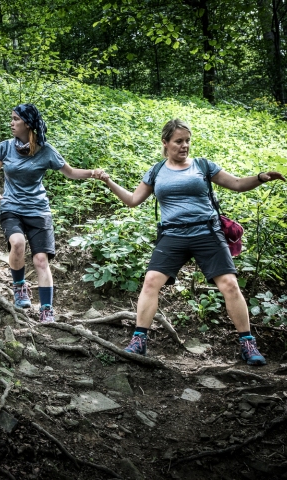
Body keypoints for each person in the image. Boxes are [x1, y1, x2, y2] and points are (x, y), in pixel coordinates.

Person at [98, 119, 285, 365]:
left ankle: (248, 344)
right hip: (172, 234)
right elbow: (133, 200)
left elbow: (237, 184)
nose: (184, 146)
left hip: (207, 232)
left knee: (229, 284)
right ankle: (138, 340)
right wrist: (108, 182)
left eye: (187, 141)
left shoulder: (202, 166)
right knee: (151, 281)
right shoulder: (156, 171)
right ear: (165, 143)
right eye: (178, 141)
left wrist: (261, 177)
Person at [0, 104, 105, 323]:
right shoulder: (4, 148)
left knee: (41, 260)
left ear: (28, 124)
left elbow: (69, 172)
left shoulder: (46, 151)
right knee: (17, 242)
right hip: (11, 207)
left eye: (15, 119)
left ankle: (47, 309)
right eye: (11, 118)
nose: (11, 123)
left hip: (39, 211)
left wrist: (93, 173)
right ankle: (20, 287)